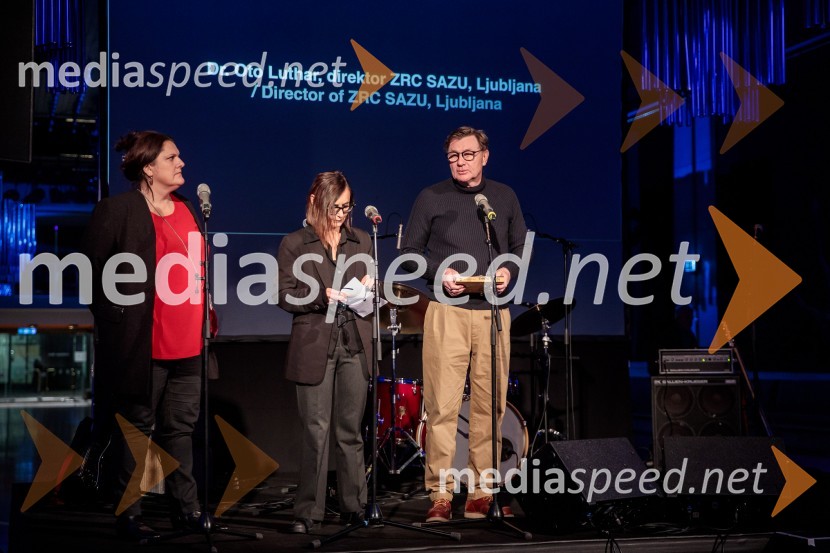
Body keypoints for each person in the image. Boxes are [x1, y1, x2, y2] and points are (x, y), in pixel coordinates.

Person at [400, 126, 528, 522]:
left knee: (489, 407)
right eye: (454, 156)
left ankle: (481, 492)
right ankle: (440, 494)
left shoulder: (503, 197)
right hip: (447, 311)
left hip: (492, 313)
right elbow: (409, 253)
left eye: (468, 154)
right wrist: (441, 274)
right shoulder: (431, 197)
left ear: (485, 156)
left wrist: (508, 271)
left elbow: (519, 246)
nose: (460, 162)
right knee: (443, 407)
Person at [85, 130, 206, 540]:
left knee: (181, 430)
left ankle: (186, 509)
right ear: (149, 168)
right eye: (172, 157)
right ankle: (129, 514)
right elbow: (92, 276)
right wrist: (117, 323)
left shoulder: (189, 209)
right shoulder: (117, 210)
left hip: (189, 343)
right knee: (137, 433)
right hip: (143, 345)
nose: (181, 163)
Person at [277, 171, 373, 534]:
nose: (341, 215)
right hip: (315, 344)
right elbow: (284, 294)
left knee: (350, 431)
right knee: (315, 432)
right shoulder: (295, 243)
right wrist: (321, 296)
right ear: (315, 202)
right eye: (335, 207)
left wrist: (370, 290)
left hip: (354, 343)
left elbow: (368, 293)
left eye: (347, 207)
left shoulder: (361, 240)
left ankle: (354, 505)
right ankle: (308, 511)